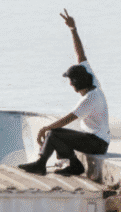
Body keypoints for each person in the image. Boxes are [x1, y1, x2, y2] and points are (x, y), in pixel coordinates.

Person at [18, 10, 110, 176]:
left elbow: (67, 119)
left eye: (70, 81)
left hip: (98, 143)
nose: (69, 84)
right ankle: (72, 165)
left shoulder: (90, 99)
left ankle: (41, 164)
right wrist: (73, 29)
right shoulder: (92, 81)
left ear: (76, 83)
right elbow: (80, 53)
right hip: (94, 138)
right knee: (57, 134)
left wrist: (45, 128)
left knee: (54, 133)